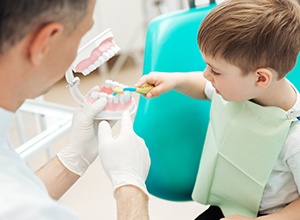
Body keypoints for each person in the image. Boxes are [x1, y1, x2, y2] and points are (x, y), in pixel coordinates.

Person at [136, 0, 300, 219]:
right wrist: (175, 80)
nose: (206, 75)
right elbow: (204, 87)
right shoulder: (241, 90)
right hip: (230, 203)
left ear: (261, 78)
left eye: (215, 71)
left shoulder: (295, 139)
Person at [0, 0, 150, 219]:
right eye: (81, 34)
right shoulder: (22, 208)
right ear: (44, 42)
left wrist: (72, 159)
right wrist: (131, 186)